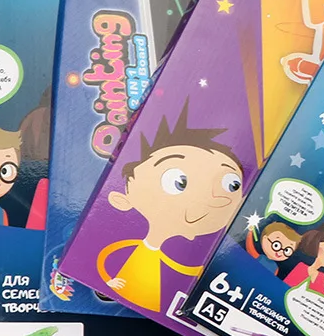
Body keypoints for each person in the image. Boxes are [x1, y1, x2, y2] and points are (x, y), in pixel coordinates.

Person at [98, 103, 244, 312]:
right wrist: (108, 281)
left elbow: (178, 266)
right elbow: (105, 257)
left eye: (232, 184)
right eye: (179, 182)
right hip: (125, 292)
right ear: (123, 198)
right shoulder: (129, 244)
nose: (210, 196)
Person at [283, 224, 324, 297]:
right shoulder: (301, 268)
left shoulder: (321, 276)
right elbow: (285, 289)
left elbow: (319, 298)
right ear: (316, 243)